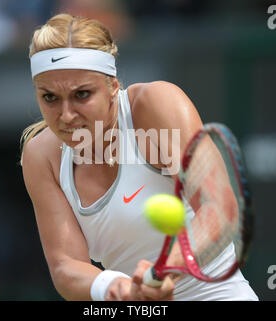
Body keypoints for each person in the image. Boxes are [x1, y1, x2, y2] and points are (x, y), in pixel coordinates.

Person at [20, 13, 258, 301]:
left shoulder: (156, 104)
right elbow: (65, 266)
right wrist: (114, 287)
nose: (66, 115)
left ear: (112, 86)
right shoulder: (40, 156)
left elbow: (219, 212)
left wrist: (161, 273)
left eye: (82, 94)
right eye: (50, 98)